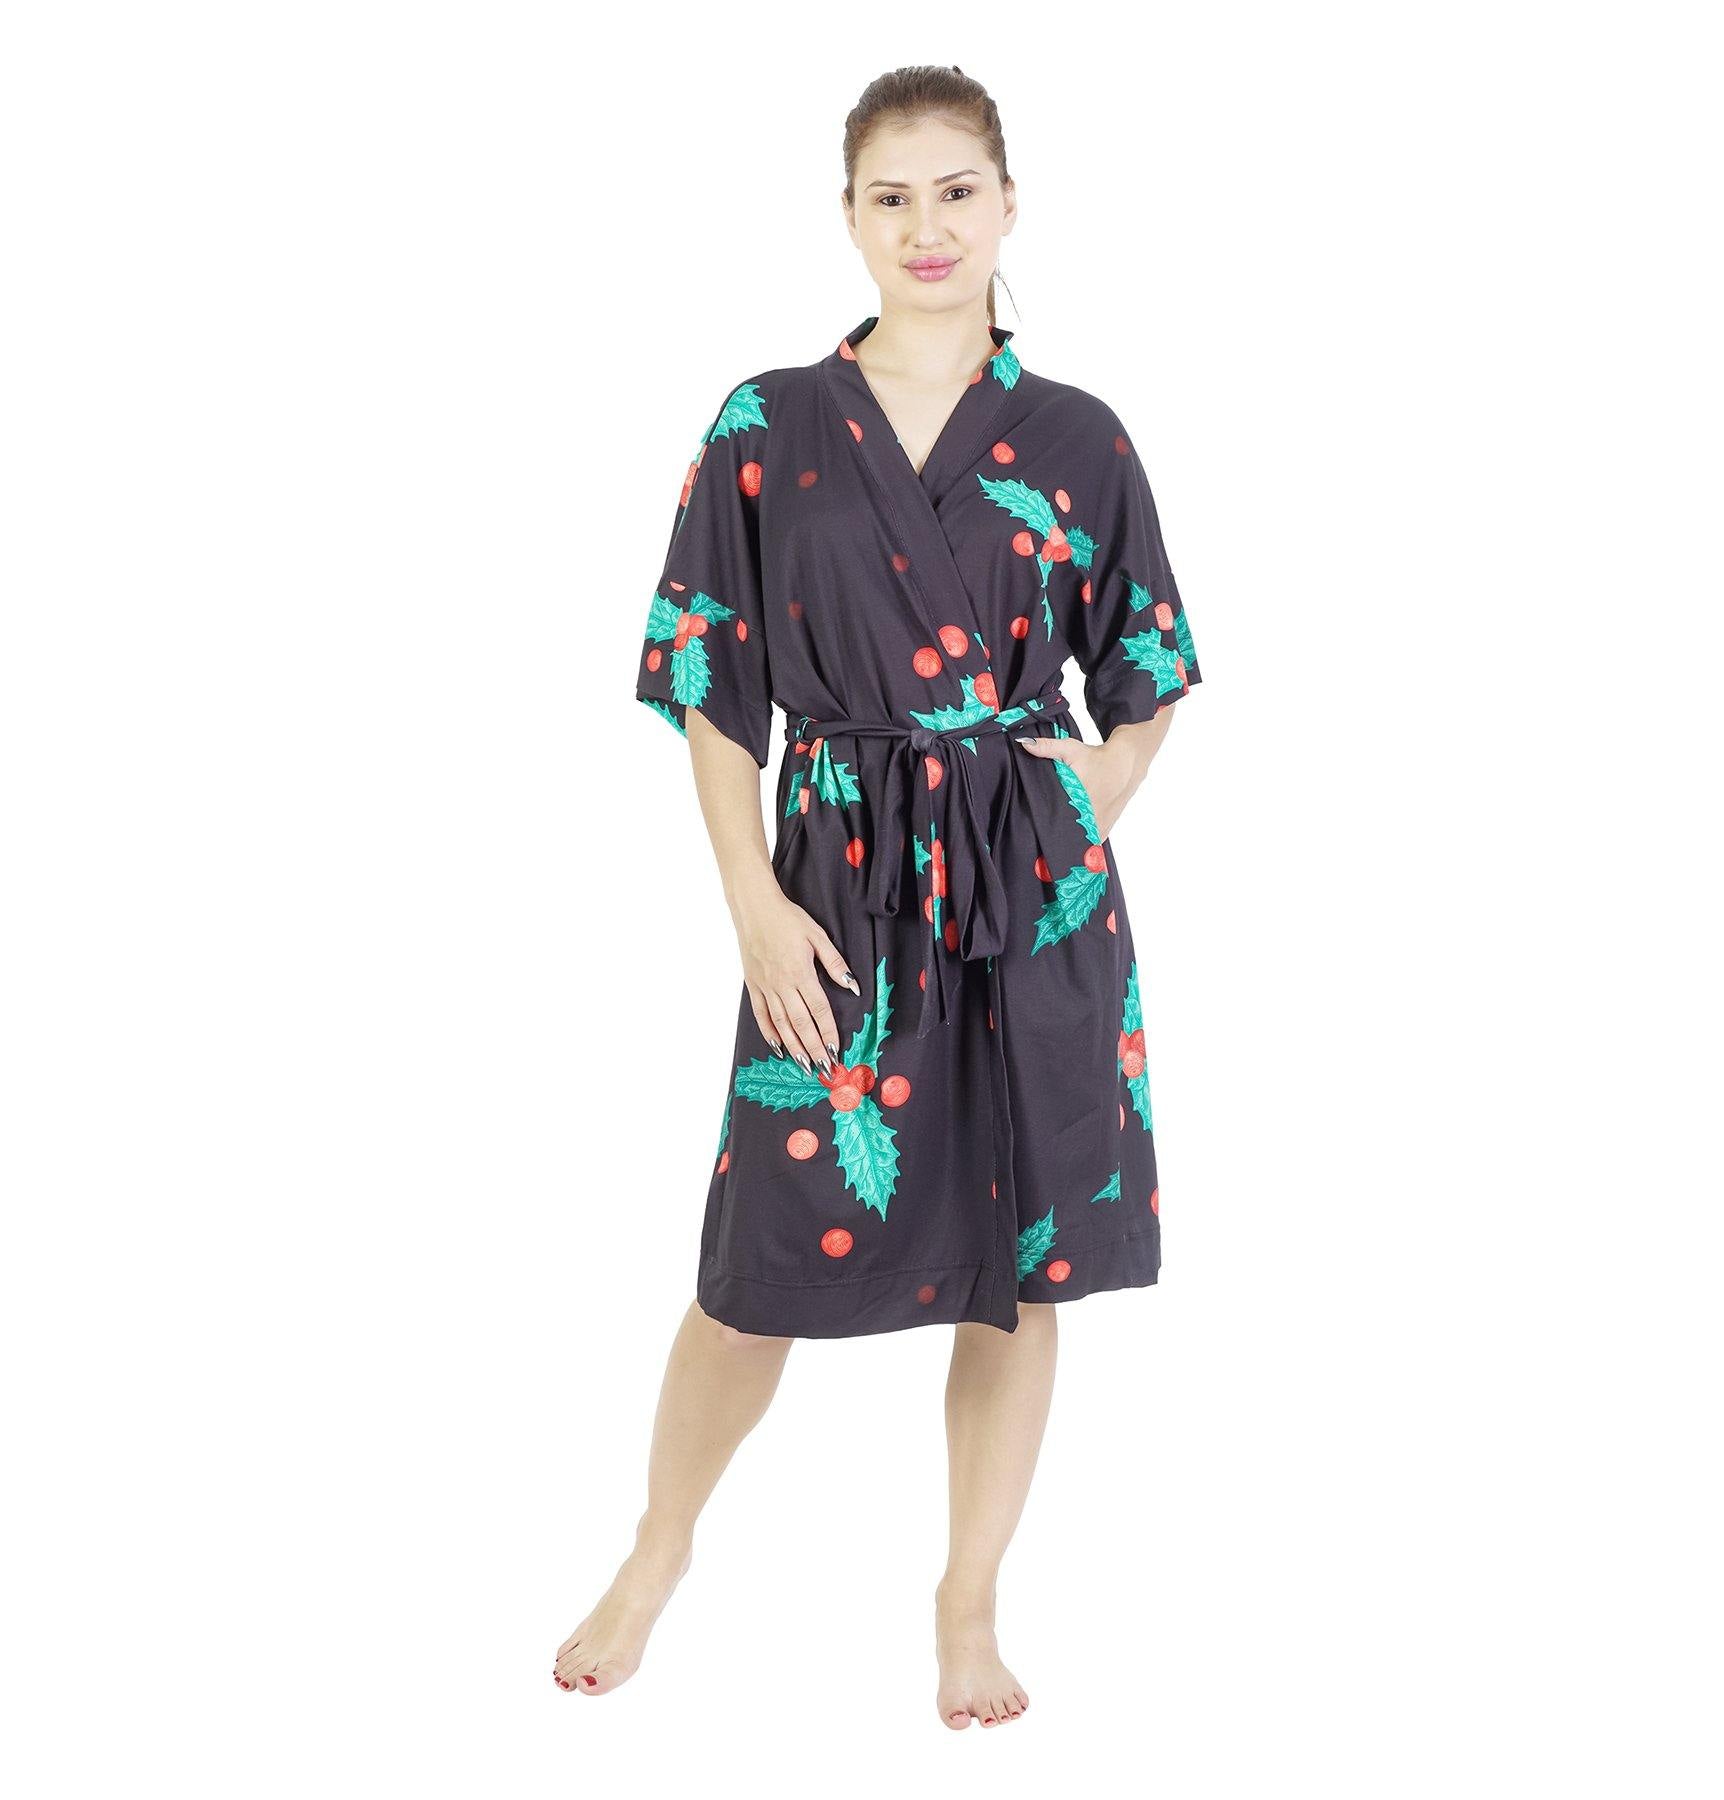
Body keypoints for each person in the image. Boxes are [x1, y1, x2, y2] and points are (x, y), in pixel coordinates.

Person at [556, 64, 1200, 1730]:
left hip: (1029, 889)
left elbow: (1146, 664)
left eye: (957, 191)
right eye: (891, 197)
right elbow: (710, 683)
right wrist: (752, 903)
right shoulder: (766, 424)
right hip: (831, 884)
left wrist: (1103, 788)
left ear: (1009, 204)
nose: (927, 226)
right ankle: (656, 1550)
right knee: (756, 1261)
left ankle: (966, 1602)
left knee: (1023, 1262)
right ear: (848, 217)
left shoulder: (1079, 435)